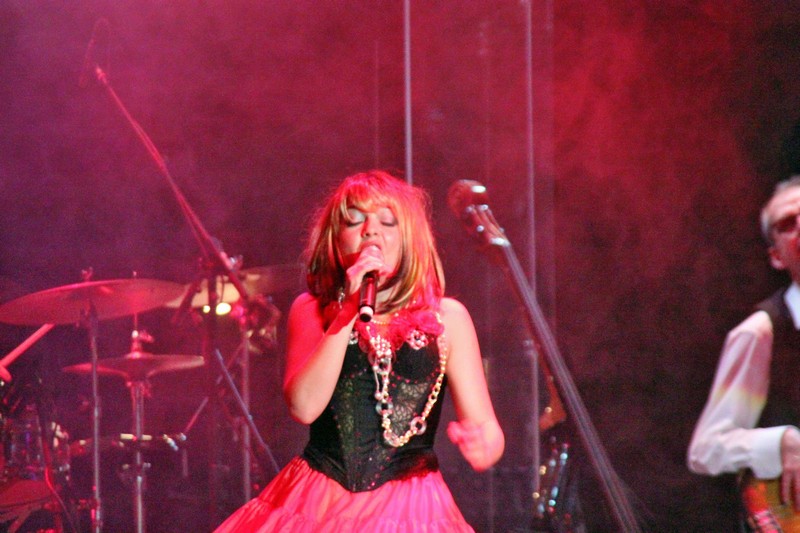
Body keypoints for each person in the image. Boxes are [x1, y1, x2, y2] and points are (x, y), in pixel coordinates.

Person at [214, 170, 505, 532]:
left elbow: (486, 426)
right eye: (354, 221)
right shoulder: (312, 309)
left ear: (410, 239)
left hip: (413, 506)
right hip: (319, 498)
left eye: (387, 221)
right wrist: (348, 311)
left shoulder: (449, 317)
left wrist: (484, 444)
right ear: (336, 241)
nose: (370, 231)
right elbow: (303, 407)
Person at [688, 175, 800, 525]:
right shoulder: (762, 334)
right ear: (776, 256)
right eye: (787, 223)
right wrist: (781, 442)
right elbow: (708, 447)